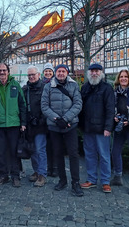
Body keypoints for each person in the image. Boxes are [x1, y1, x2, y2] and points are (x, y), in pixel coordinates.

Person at [41, 64, 83, 196]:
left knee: (73, 154)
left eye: (63, 71)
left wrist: (65, 119)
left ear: (67, 73)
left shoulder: (74, 85)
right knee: (57, 153)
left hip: (70, 125)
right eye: (58, 71)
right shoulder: (48, 86)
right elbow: (44, 106)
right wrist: (56, 119)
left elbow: (78, 104)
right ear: (55, 73)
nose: (60, 73)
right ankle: (62, 180)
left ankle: (75, 182)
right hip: (54, 126)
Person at [0, 63, 26, 188]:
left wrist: (23, 122)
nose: (2, 72)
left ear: (8, 71)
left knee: (14, 152)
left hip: (14, 124)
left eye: (4, 70)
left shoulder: (15, 85)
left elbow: (22, 105)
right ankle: (3, 175)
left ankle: (15, 176)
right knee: (0, 152)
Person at [79, 63, 115, 193]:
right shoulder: (85, 88)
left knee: (104, 156)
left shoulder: (107, 88)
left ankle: (105, 181)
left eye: (97, 71)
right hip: (87, 128)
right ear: (89, 73)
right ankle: (91, 179)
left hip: (102, 129)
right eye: (92, 71)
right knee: (89, 155)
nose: (94, 73)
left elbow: (110, 109)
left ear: (101, 73)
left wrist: (108, 127)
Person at [22, 66, 48, 187]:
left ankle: (42, 174)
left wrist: (41, 120)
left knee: (40, 149)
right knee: (32, 150)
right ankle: (36, 171)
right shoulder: (25, 89)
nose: (31, 77)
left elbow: (48, 105)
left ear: (39, 75)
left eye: (33, 74)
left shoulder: (45, 88)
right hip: (29, 124)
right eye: (29, 75)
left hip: (41, 124)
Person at [41, 62, 57, 178]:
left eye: (50, 71)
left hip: (53, 118)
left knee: (54, 145)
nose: (48, 73)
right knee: (45, 146)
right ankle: (47, 167)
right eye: (46, 71)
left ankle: (54, 167)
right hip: (42, 120)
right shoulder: (41, 84)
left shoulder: (56, 84)